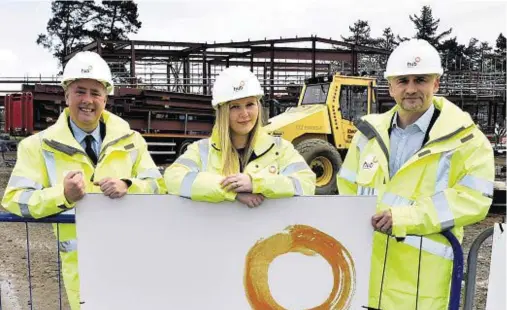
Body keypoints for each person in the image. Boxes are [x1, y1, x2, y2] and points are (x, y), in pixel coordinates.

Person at [337, 39, 494, 310]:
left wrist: (405, 218)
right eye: (403, 80)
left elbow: (474, 199)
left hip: (421, 287)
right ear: (391, 86)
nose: (411, 89)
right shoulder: (367, 136)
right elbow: (347, 190)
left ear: (435, 83)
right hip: (366, 280)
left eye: (420, 79)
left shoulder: (466, 140)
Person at [1, 51, 166, 309]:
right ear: (66, 95)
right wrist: (63, 196)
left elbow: (158, 186)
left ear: (105, 98)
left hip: (130, 256)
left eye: (95, 92)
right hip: (80, 265)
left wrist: (129, 185)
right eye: (80, 91)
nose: (88, 100)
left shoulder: (132, 140)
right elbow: (14, 201)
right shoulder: (37, 146)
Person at [164, 66, 315, 206]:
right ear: (223, 113)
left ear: (258, 106)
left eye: (250, 104)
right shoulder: (202, 149)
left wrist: (256, 183)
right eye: (235, 107)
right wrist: (231, 190)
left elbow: (306, 183)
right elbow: (173, 179)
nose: (244, 114)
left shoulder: (281, 149)